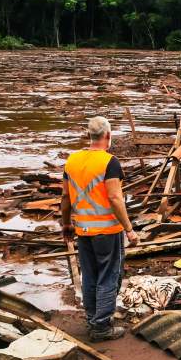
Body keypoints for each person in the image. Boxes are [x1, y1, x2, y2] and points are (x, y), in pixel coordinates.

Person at [60, 116, 139, 341]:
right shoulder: (109, 162)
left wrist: (66, 224)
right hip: (107, 231)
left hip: (83, 230)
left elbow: (65, 197)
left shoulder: (72, 161)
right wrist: (129, 229)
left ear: (89, 136)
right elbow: (115, 197)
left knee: (90, 275)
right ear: (108, 136)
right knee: (108, 276)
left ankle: (92, 317)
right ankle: (101, 327)